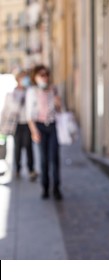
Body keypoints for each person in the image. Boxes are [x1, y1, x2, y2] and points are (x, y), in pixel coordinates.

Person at [26, 65, 62, 200]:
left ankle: (57, 187)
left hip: (52, 125)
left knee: (55, 158)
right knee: (44, 159)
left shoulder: (53, 89)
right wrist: (34, 131)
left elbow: (59, 110)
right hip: (40, 126)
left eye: (46, 74)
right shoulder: (32, 92)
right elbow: (29, 115)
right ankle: (45, 187)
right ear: (35, 77)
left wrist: (59, 103)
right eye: (41, 75)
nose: (45, 77)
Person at [0, 69, 37, 180]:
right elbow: (8, 110)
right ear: (18, 79)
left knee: (29, 147)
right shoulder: (12, 94)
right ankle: (18, 169)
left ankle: (31, 169)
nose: (25, 80)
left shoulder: (31, 91)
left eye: (26, 77)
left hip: (28, 123)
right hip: (16, 124)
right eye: (23, 77)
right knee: (18, 147)